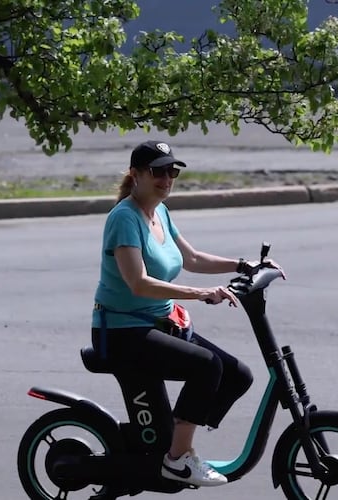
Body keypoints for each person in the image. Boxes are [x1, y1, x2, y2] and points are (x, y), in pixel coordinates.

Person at [90, 140, 282, 487]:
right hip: (122, 331)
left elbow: (191, 259)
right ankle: (177, 459)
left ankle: (175, 439)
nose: (167, 179)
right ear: (135, 175)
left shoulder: (159, 211)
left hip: (159, 323)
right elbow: (138, 283)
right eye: (158, 171)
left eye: (172, 171)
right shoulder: (124, 218)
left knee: (238, 375)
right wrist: (201, 293)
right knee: (207, 366)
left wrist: (244, 264)